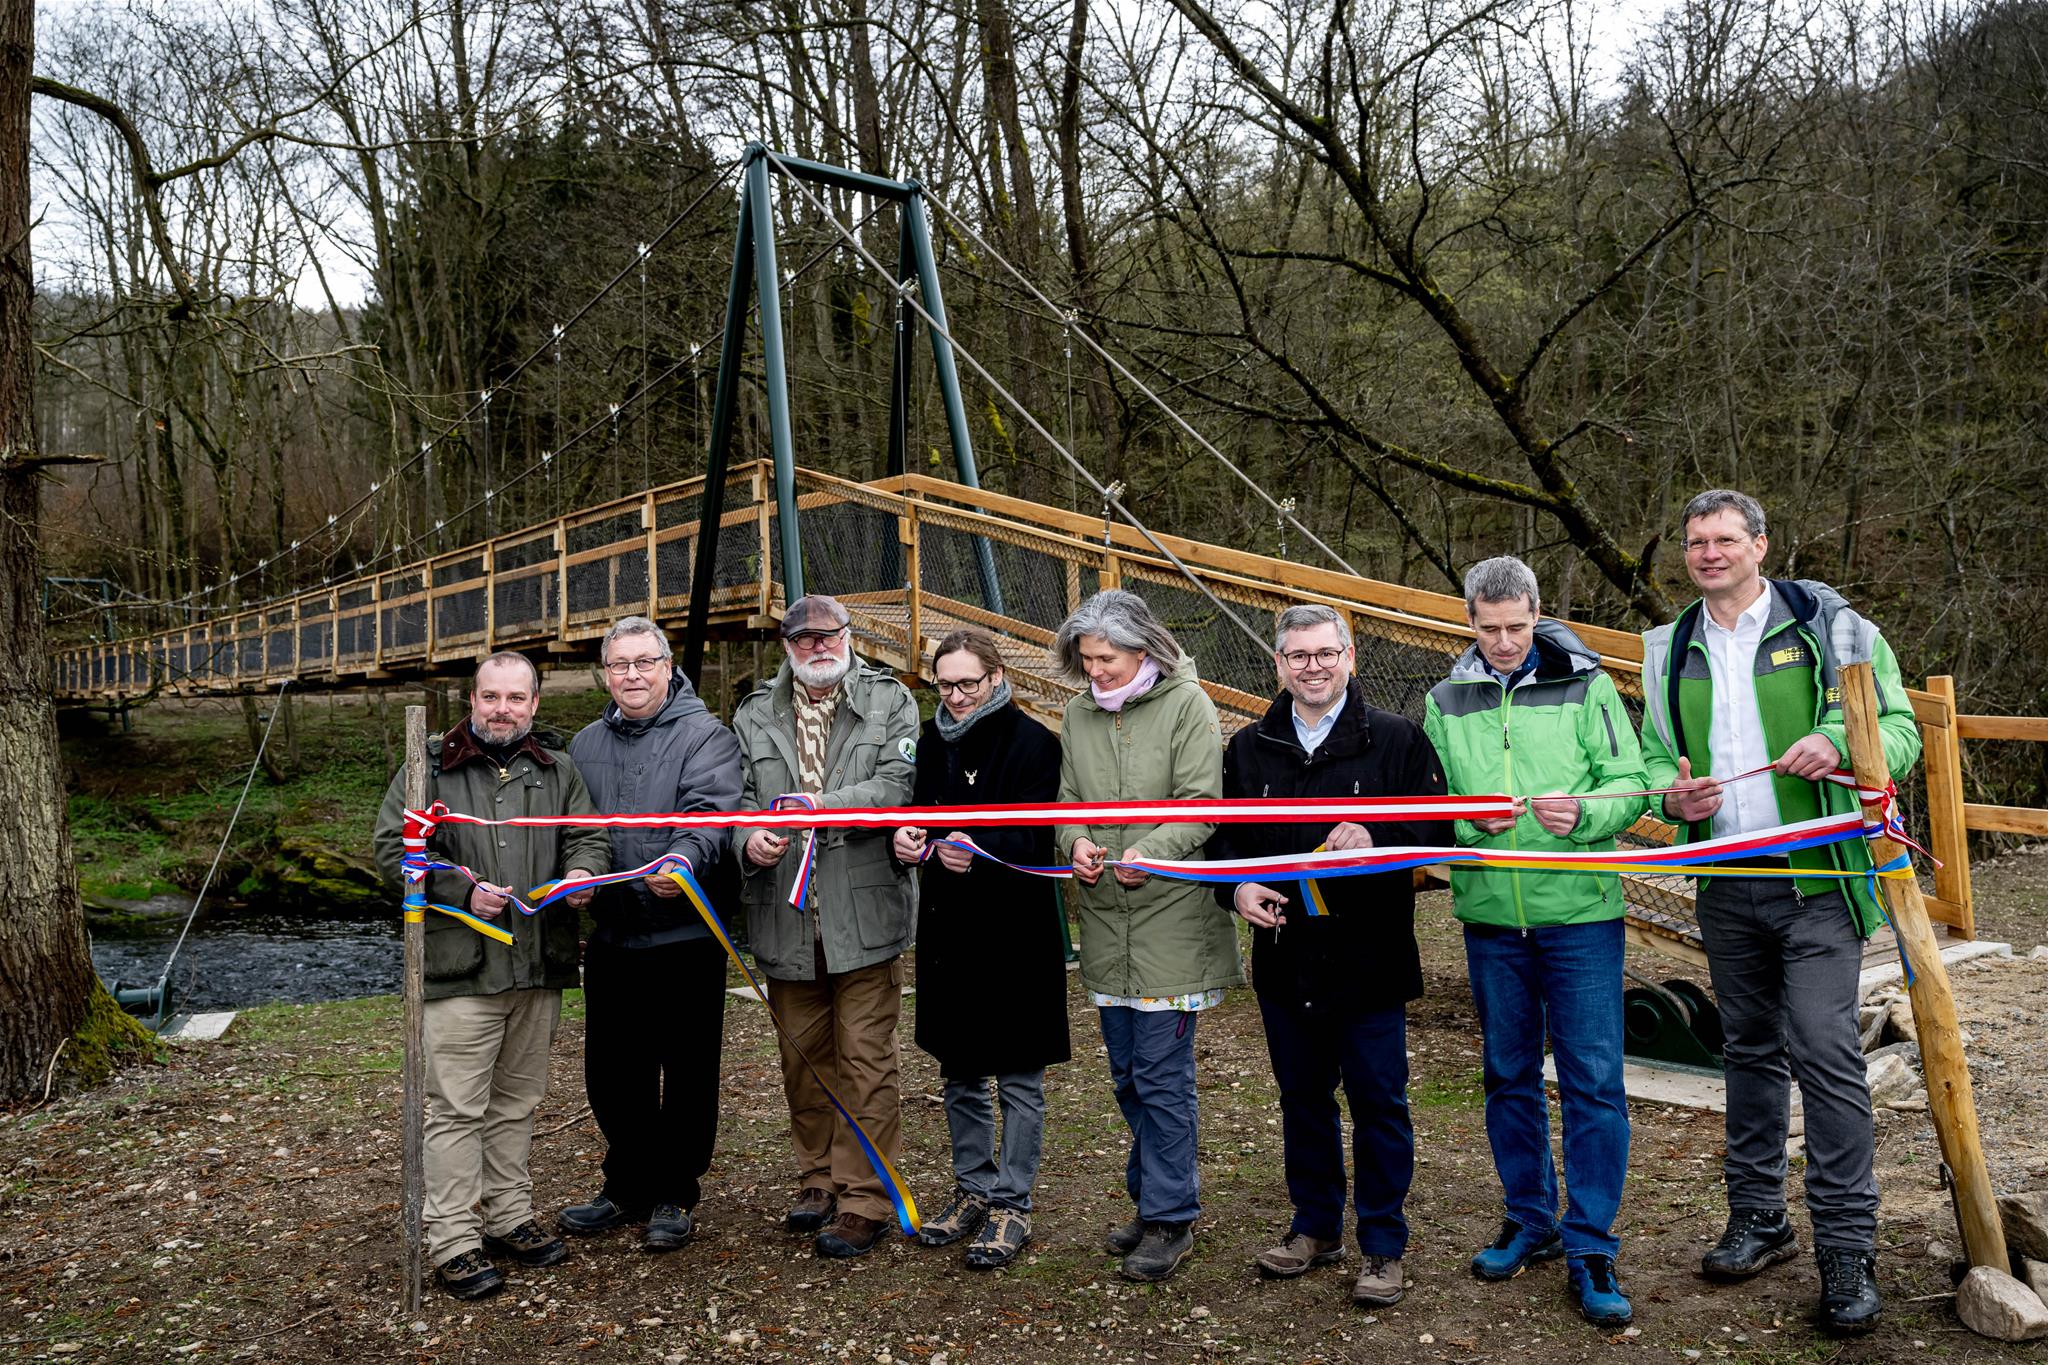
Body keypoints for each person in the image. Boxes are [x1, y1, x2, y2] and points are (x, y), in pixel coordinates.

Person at [1643, 489, 1918, 1336]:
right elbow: (1655, 754)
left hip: (1817, 883)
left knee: (1826, 1051)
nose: (1709, 552)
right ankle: (1760, 1218)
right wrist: (1673, 795)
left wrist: (1840, 742)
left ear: (1761, 545)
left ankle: (1847, 1247)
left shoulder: (1831, 629)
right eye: (1696, 541)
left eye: (1726, 538)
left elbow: (1898, 729)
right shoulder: (1669, 647)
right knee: (1749, 1050)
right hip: (1725, 881)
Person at [1422, 557, 1646, 1330]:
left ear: (1538, 612)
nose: (1507, 641)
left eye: (1518, 625)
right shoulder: (1445, 699)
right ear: (1470, 623)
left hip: (1580, 912)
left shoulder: (1588, 685)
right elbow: (1426, 804)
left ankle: (1591, 1243)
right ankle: (1531, 1217)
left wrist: (1583, 813)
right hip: (1490, 916)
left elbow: (1632, 780)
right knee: (1507, 1073)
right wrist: (1462, 823)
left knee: (1592, 1078)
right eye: (1490, 628)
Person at [1211, 604, 1450, 1307]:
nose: (1311, 666)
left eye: (1324, 652)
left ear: (1350, 656)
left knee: (1379, 1102)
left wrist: (1377, 833)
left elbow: (1439, 828)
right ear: (1278, 664)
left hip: (1368, 956)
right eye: (1297, 655)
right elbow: (1223, 842)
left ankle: (1382, 1242)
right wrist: (1238, 888)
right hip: (1286, 957)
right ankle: (1315, 1226)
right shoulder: (1250, 746)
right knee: (1302, 1098)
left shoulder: (1399, 739)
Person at [372, 651, 609, 1300]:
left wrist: (585, 873)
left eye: (516, 697)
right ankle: (453, 1240)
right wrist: (459, 890)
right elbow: (393, 852)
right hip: (461, 970)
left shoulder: (557, 768)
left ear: (534, 704)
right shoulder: (427, 767)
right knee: (455, 1108)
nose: (502, 708)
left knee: (517, 1102)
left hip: (538, 965)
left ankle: (508, 1217)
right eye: (490, 696)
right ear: (471, 700)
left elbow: (589, 837)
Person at [1052, 588, 1239, 1283]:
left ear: (1141, 650)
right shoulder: (1076, 713)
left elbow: (1203, 804)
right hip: (1106, 925)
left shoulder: (1188, 705)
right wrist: (1075, 843)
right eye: (1086, 659)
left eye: (1105, 658)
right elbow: (1067, 803)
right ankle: (1153, 1195)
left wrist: (1151, 852)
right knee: (1129, 1076)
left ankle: (1170, 1216)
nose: (1094, 670)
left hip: (1172, 924)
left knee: (1162, 1079)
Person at [731, 594, 920, 1260]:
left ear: (848, 636)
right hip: (784, 914)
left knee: (866, 1060)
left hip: (862, 911)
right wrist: (749, 841)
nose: (817, 647)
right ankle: (818, 1177)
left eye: (828, 635)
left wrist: (821, 806)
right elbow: (739, 803)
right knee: (802, 1060)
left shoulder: (891, 700)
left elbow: (896, 785)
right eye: (803, 638)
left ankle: (866, 1195)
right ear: (786, 645)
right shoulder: (754, 712)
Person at [555, 616, 744, 1251]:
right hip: (613, 935)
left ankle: (674, 1192)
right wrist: (574, 874)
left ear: (667, 666)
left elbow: (710, 815)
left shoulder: (706, 735)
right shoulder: (583, 744)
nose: (631, 675)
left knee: (688, 1070)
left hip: (684, 934)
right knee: (612, 1070)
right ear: (604, 674)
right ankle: (627, 1183)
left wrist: (685, 861)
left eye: (643, 662)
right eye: (619, 665)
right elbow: (574, 827)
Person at [891, 629, 1070, 1270]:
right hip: (949, 931)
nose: (958, 696)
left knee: (1019, 1076)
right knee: (960, 1071)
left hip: (1016, 932)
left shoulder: (1035, 742)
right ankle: (973, 1185)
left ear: (996, 675)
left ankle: (1013, 1202)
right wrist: (907, 842)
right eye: (946, 685)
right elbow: (915, 815)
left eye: (970, 683)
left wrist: (983, 853)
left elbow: (1039, 840)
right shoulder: (933, 737)